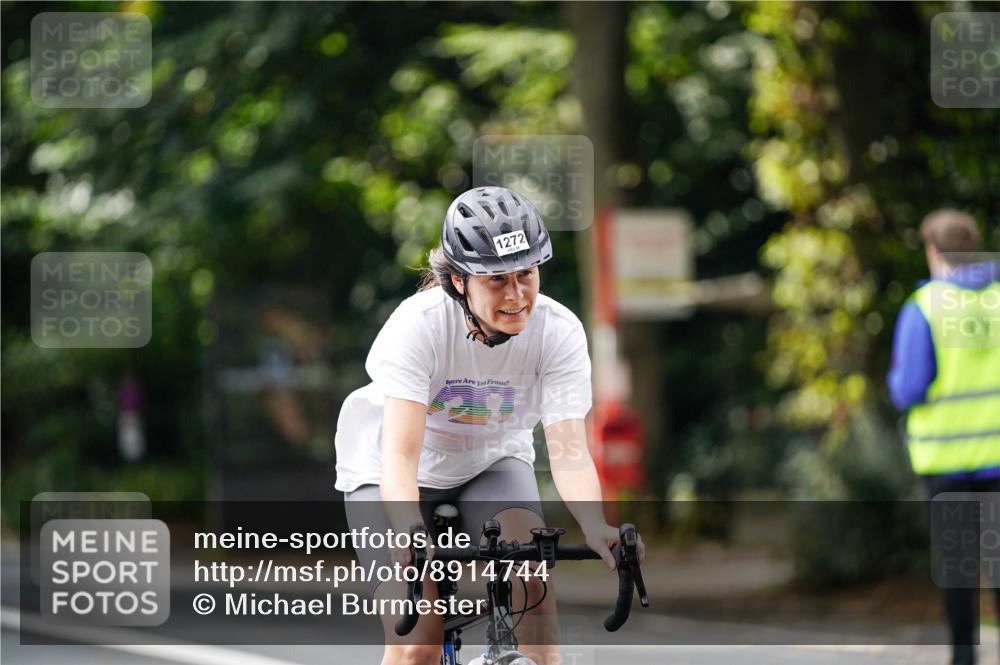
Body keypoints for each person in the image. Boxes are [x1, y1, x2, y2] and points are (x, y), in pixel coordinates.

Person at [335, 186, 644, 665]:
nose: (517, 295)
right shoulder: (418, 326)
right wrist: (407, 532)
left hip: (490, 462)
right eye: (497, 280)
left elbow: (567, 448)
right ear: (459, 281)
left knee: (533, 593)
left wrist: (595, 523)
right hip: (387, 474)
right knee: (419, 641)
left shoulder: (557, 331)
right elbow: (399, 453)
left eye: (526, 274)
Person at [888, 209, 1000, 665]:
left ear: (932, 252)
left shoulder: (925, 307)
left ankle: (964, 657)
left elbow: (908, 387)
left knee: (959, 571)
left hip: (946, 464)